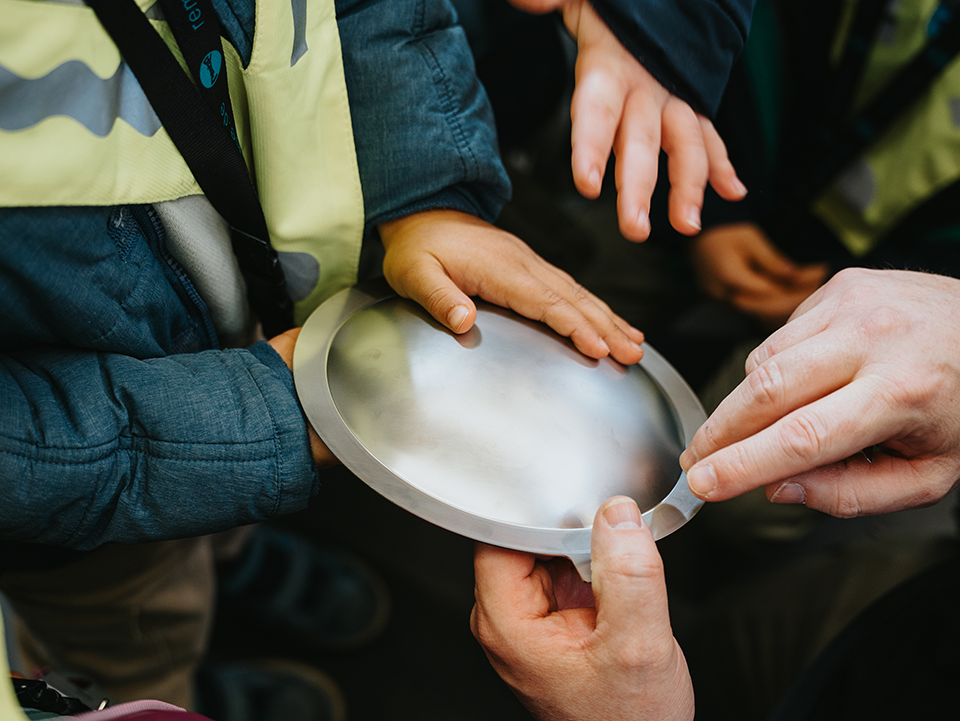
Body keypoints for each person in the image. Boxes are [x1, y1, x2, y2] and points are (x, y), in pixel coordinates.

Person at [0, 0, 753, 713]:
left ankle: (237, 558)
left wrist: (424, 192)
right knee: (139, 617)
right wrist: (258, 419)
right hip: (100, 491)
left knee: (231, 516)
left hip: (268, 295)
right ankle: (170, 695)